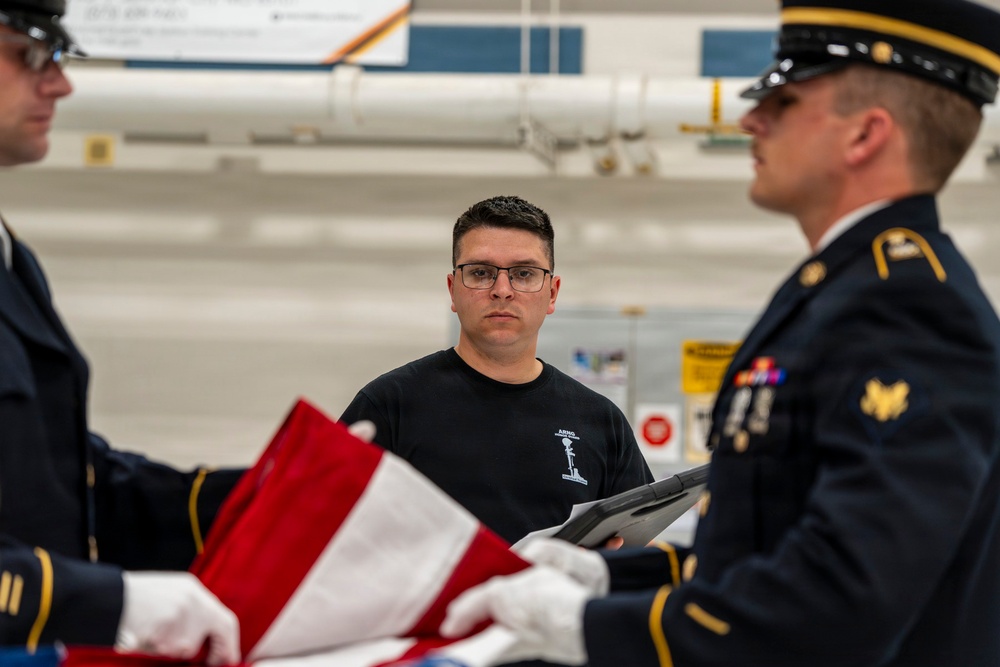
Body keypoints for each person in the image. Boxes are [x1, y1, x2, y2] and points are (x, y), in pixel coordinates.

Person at [440, 1, 1000, 665]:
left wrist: (590, 627)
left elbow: (842, 598)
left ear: (864, 136)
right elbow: (760, 553)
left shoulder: (908, 309)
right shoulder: (838, 292)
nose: (749, 119)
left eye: (784, 102)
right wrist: (602, 575)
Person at [1, 1, 243, 661]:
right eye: (28, 56)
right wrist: (109, 602)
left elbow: (61, 477)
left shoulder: (12, 261)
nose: (59, 83)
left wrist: (262, 494)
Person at [340, 195, 652, 544]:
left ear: (552, 293)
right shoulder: (387, 406)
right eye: (480, 273)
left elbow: (635, 548)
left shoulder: (601, 421)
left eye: (523, 274)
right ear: (452, 291)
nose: (502, 290)